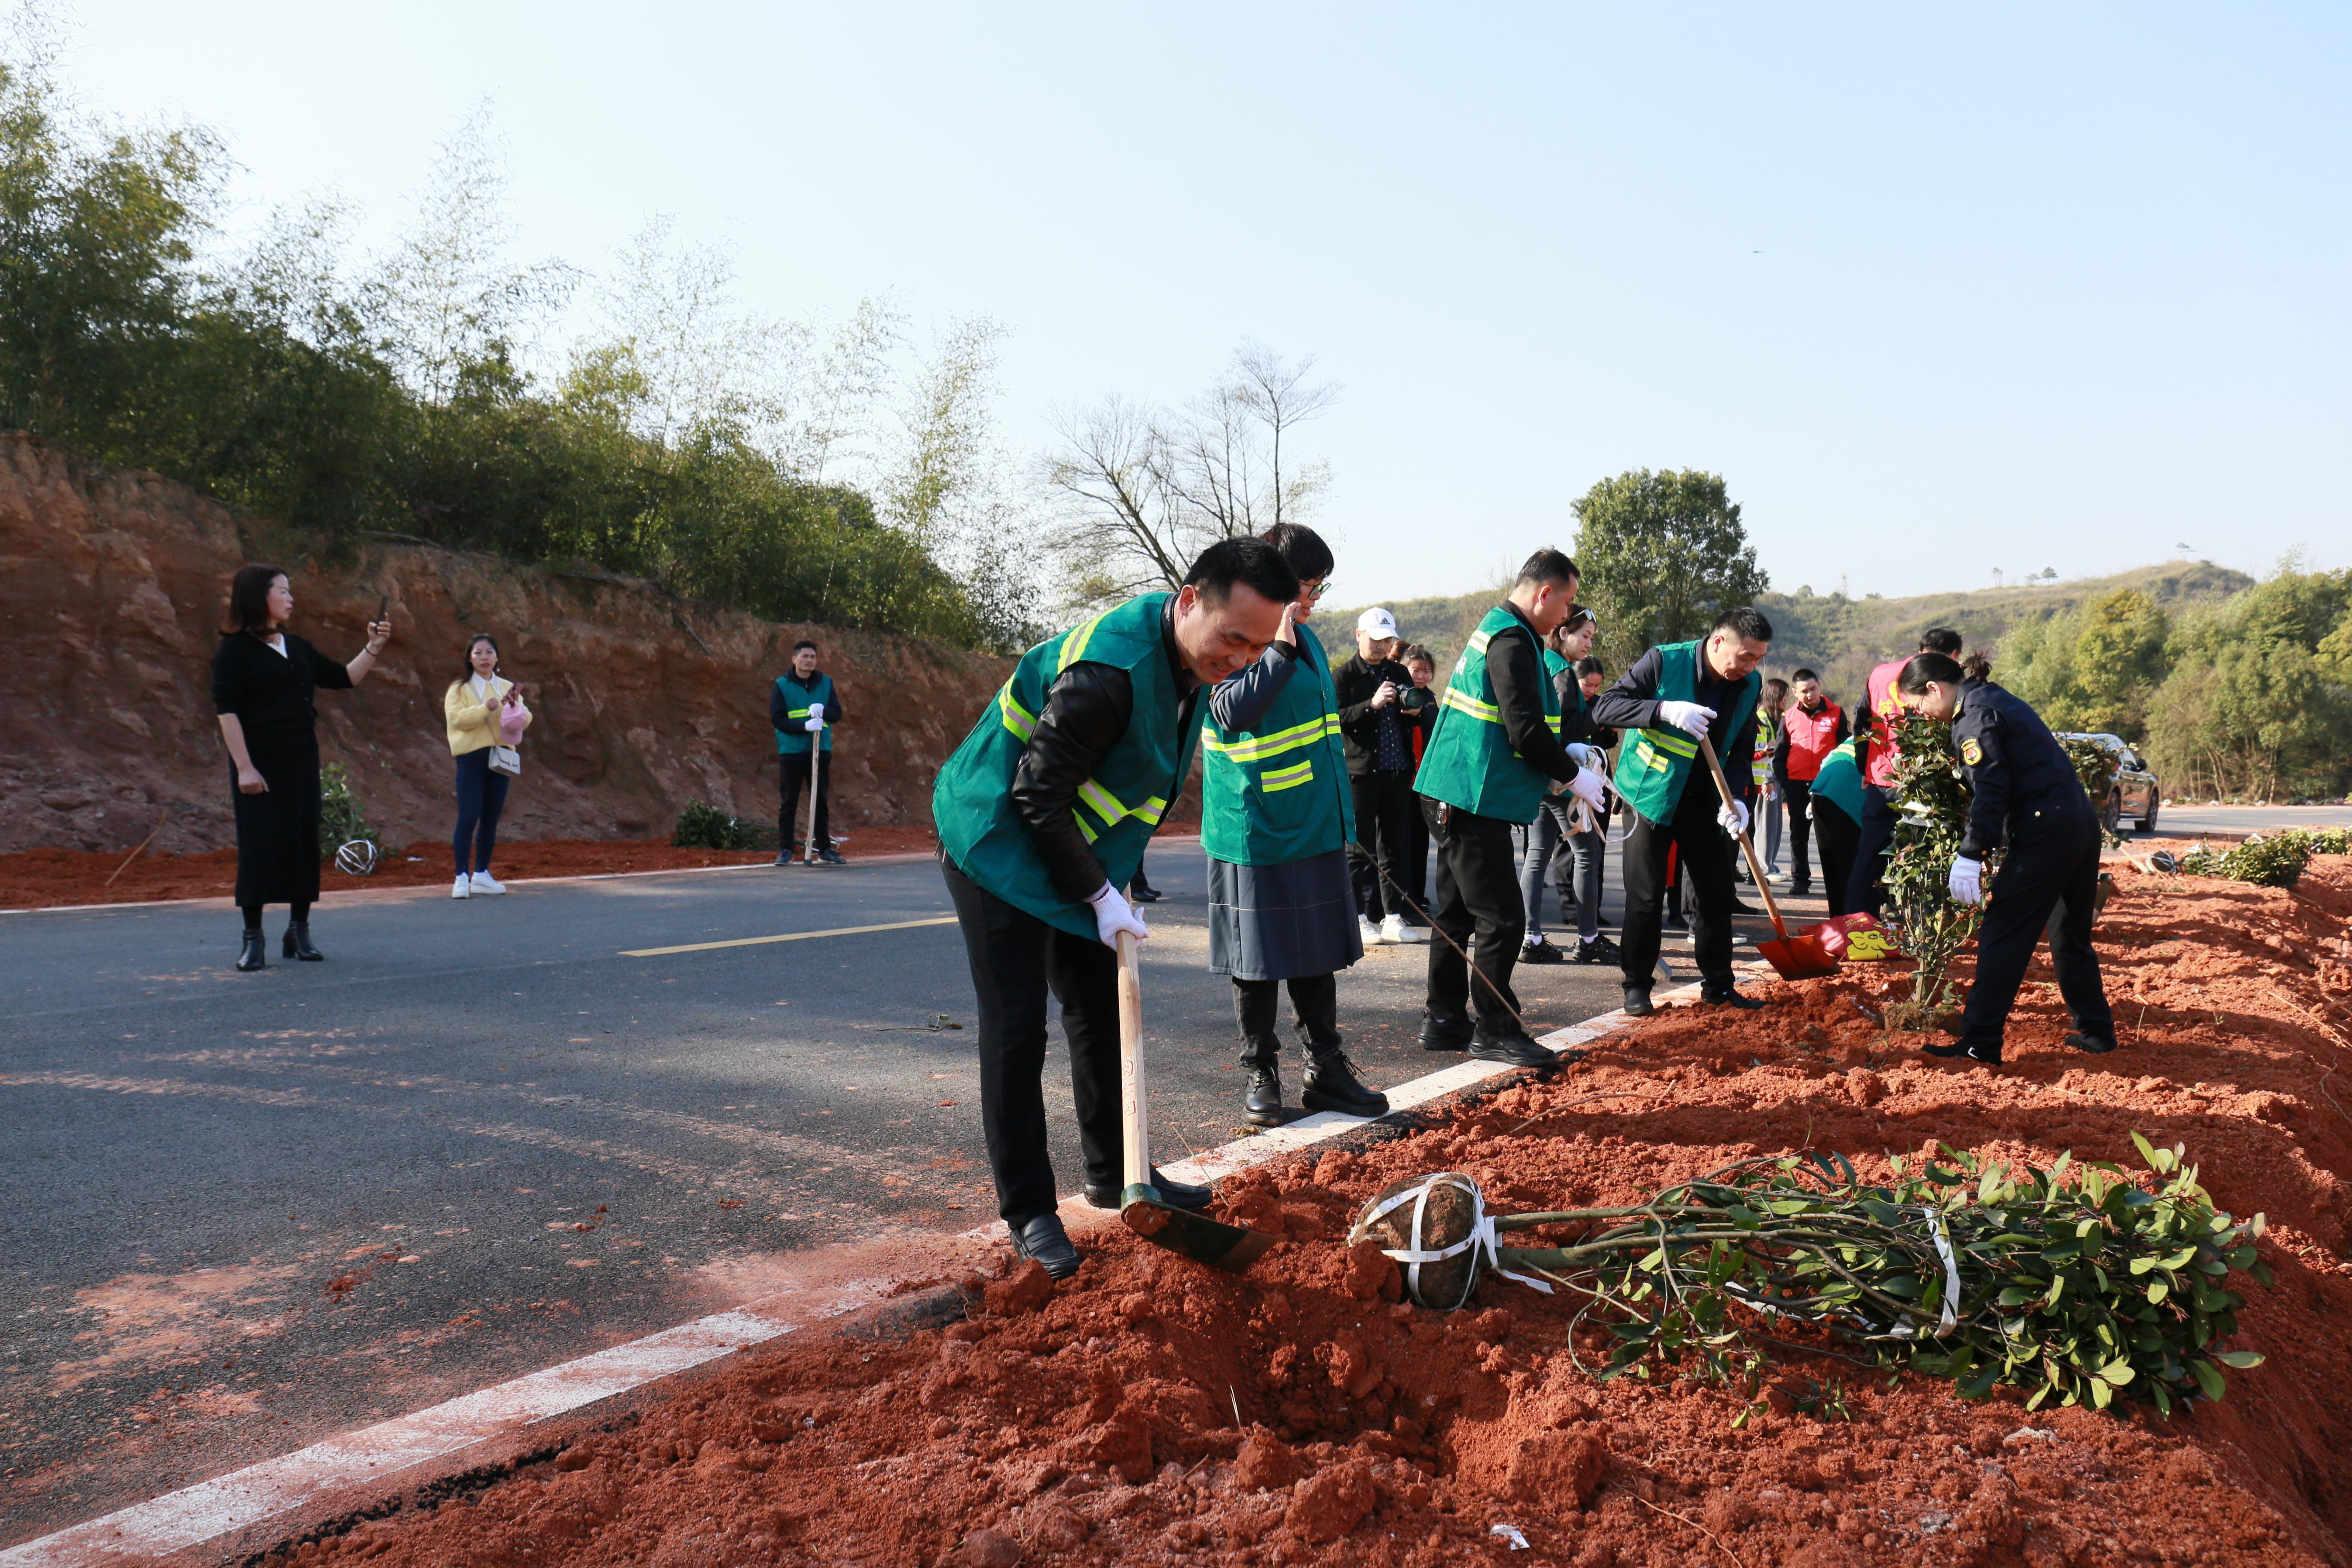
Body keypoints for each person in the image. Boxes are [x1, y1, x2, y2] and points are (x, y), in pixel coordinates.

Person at [931, 538, 1296, 1278]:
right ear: (1190, 599)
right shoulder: (1109, 673)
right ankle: (1030, 1209)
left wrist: (1111, 878)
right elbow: (1036, 794)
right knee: (1016, 1028)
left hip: (1069, 840)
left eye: (1258, 647)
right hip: (995, 834)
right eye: (1233, 637)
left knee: (1097, 1006)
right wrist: (1099, 892)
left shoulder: (1192, 661)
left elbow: (1114, 787)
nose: (1240, 658)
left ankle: (1117, 1172)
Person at [1200, 524, 1389, 1127]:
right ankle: (1261, 1072)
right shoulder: (1239, 638)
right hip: (1253, 827)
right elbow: (1232, 709)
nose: (1312, 599)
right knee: (1255, 960)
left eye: (1317, 588)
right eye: (1307, 586)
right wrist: (1276, 647)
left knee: (1315, 955)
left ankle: (1325, 1070)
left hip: (1309, 822)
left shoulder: (1303, 641)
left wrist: (1340, 815)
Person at [1412, 550, 1609, 1065]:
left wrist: (1562, 754)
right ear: (1545, 594)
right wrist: (1576, 776)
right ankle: (1496, 1028)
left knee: (1456, 914)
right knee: (1502, 918)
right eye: (1566, 603)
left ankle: (1445, 1019)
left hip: (1453, 790)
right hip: (1471, 796)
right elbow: (1523, 729)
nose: (1567, 615)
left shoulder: (1500, 630)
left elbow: (1517, 724)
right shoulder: (1512, 640)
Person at [1893, 652, 2116, 1066]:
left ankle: (1979, 1043)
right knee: (2069, 931)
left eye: (1918, 705)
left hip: (2046, 829)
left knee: (2004, 932)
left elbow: (1991, 788)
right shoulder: (1992, 697)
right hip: (2078, 821)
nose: (1922, 715)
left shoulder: (1974, 718)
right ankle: (2097, 1031)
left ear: (1934, 689)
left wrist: (1971, 853)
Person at [1589, 606, 1774, 1016]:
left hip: (1708, 800)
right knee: (1646, 895)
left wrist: (1739, 799)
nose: (1750, 666)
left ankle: (1719, 987)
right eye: (1745, 656)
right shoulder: (1663, 660)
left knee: (1715, 895)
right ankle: (1637, 986)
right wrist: (1662, 710)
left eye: (1758, 658)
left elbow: (1743, 745)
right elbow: (1605, 708)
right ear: (1718, 641)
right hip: (1650, 795)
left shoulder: (1749, 684)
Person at [210, 565, 392, 971]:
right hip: (258, 761)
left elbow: (345, 678)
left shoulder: (299, 646)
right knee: (258, 847)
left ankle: (299, 930)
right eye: (284, 591)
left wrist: (374, 646)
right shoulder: (233, 651)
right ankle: (253, 938)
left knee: (302, 842)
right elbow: (228, 712)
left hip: (301, 757)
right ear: (259, 597)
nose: (291, 598)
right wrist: (245, 768)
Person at [1850, 627, 1963, 916]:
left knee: (1869, 859)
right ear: (1954, 656)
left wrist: (1866, 768)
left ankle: (1859, 926)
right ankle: (1926, 931)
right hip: (1922, 781)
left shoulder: (1880, 674)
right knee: (1928, 856)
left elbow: (1861, 722)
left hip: (1880, 779)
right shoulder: (1940, 683)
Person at [1333, 608, 1427, 946]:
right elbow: (1335, 719)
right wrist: (1371, 705)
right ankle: (1359, 918)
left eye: (1387, 640)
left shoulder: (1398, 670)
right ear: (1359, 636)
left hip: (1398, 770)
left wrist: (1415, 712)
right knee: (1358, 849)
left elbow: (1418, 710)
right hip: (1361, 772)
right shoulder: (1343, 676)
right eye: (1376, 640)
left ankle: (1393, 917)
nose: (1381, 646)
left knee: (1394, 845)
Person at [1518, 608, 1602, 965]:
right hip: (1562, 779)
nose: (1588, 643)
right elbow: (1563, 731)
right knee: (1586, 853)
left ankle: (1531, 937)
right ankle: (1588, 940)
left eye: (1591, 638)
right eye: (1584, 635)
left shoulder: (1542, 662)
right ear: (1564, 632)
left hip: (1540, 775)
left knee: (1536, 857)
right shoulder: (1562, 671)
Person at [444, 634, 532, 899]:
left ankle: (481, 873)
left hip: (501, 757)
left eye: (489, 653)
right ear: (470, 658)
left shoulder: (507, 686)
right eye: (478, 653)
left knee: (491, 818)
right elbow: (456, 719)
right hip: (471, 758)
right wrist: (485, 709)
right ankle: (461, 876)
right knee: (468, 815)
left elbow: (526, 719)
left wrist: (516, 707)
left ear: (497, 658)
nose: (484, 658)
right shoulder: (459, 689)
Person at [1774, 668, 1847, 897]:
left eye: (1813, 689)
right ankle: (1800, 880)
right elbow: (1781, 751)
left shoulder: (1837, 713)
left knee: (1833, 835)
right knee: (1799, 835)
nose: (1809, 695)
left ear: (1820, 686)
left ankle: (1837, 881)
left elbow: (1845, 749)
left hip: (1828, 785)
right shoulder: (1789, 717)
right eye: (1804, 691)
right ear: (1795, 693)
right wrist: (1784, 781)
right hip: (1797, 785)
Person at [771, 640, 844, 866]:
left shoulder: (825, 683)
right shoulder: (782, 685)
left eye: (813, 657)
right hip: (792, 751)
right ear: (794, 659)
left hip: (820, 750)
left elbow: (837, 713)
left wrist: (825, 712)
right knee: (789, 802)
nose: (809, 661)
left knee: (819, 801)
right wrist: (804, 726)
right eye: (805, 657)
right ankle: (786, 850)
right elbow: (779, 719)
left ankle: (824, 849)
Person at [1567, 654, 1620, 955]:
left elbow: (1605, 742)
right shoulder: (1565, 700)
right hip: (1571, 781)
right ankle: (1571, 909)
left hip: (1598, 777)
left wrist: (1609, 732)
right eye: (1588, 685)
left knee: (1595, 848)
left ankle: (1592, 910)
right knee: (1573, 851)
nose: (1592, 691)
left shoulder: (1599, 703)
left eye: (1597, 686)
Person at [1400, 646, 1440, 921]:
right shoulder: (1398, 695)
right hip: (1402, 777)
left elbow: (1436, 728)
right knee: (1402, 840)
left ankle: (1418, 895)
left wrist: (1424, 714)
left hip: (1424, 780)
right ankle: (1404, 897)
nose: (1421, 676)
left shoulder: (1430, 700)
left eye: (1427, 671)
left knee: (1420, 841)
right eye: (1416, 669)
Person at [1806, 734, 1866, 917]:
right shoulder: (1894, 734)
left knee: (1833, 871)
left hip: (1822, 788)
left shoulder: (1861, 732)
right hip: (1845, 794)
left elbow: (1828, 759)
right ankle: (1853, 931)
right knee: (1851, 871)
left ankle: (1839, 924)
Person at [1740, 678, 1788, 883]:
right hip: (1760, 781)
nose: (1787, 699)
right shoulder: (1760, 719)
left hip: (1771, 777)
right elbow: (1750, 752)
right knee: (1763, 826)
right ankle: (1763, 867)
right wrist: (1766, 754)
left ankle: (1769, 865)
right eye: (1784, 695)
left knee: (1773, 825)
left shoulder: (1774, 719)